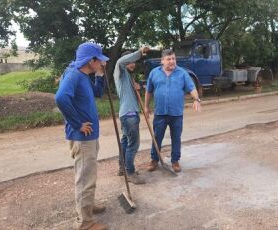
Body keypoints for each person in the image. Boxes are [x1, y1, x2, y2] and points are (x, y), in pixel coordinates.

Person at [55, 42, 109, 230]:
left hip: (89, 136)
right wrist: (77, 123)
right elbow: (60, 98)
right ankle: (85, 222)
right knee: (85, 178)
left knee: (88, 175)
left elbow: (97, 93)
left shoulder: (84, 75)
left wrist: (101, 76)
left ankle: (88, 206)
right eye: (100, 60)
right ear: (91, 60)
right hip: (82, 137)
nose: (102, 63)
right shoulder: (74, 74)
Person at [144, 49, 201, 173]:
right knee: (157, 137)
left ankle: (175, 161)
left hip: (176, 114)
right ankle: (154, 160)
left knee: (176, 138)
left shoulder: (182, 73)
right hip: (160, 113)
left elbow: (192, 88)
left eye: (173, 59)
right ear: (162, 61)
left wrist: (196, 99)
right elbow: (148, 91)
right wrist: (146, 106)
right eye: (169, 59)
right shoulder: (154, 73)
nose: (172, 61)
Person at [113, 47, 150, 184]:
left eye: (134, 61)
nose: (133, 64)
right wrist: (139, 53)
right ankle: (130, 172)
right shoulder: (120, 71)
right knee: (133, 144)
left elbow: (129, 95)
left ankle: (123, 168)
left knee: (125, 142)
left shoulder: (128, 76)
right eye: (131, 61)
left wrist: (136, 90)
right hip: (129, 115)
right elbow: (120, 62)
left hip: (128, 114)